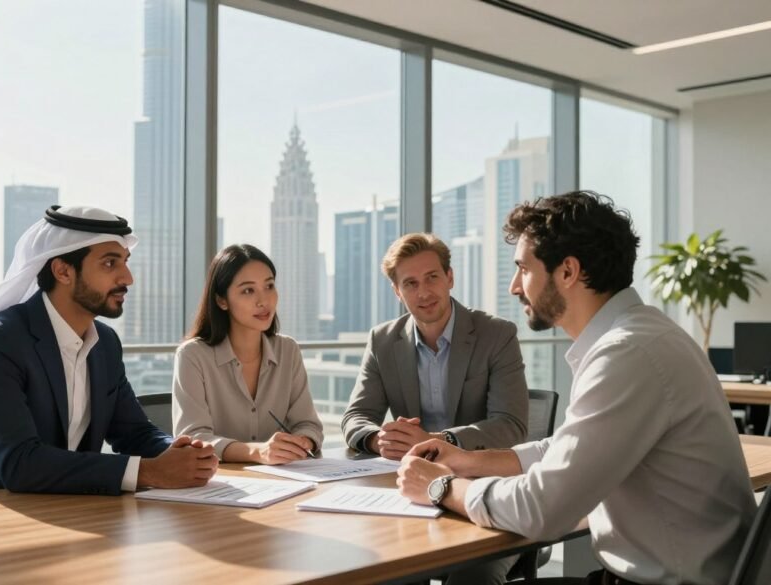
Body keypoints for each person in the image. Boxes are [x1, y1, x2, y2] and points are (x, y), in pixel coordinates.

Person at [397, 191, 755, 585]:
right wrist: (468, 461)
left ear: (567, 272)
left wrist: (439, 485)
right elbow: (567, 449)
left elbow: (541, 509)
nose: (515, 287)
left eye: (523, 270)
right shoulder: (644, 335)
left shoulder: (627, 354)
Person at [0, 206, 217, 496]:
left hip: (67, 510)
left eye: (125, 262)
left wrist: (184, 452)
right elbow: (20, 464)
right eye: (109, 264)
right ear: (63, 271)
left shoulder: (105, 343)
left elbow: (134, 432)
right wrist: (151, 472)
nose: (127, 278)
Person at [342, 233, 529, 459]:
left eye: (432, 277)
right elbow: (356, 415)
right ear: (397, 292)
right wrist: (379, 440)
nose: (424, 293)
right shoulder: (382, 341)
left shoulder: (497, 334)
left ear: (449, 278)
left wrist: (438, 441)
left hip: (477, 472)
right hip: (409, 473)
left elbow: (510, 426)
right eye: (411, 284)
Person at [172, 244, 323, 464]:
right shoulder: (193, 355)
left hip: (286, 479)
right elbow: (194, 436)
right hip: (219, 485)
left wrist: (301, 442)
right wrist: (256, 452)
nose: (264, 301)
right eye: (248, 290)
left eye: (269, 286)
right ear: (221, 300)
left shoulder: (288, 350)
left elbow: (308, 424)